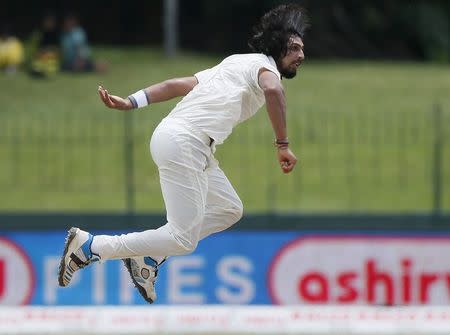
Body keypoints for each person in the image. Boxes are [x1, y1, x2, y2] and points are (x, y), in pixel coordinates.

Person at [58, 3, 308, 303]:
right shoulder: (266, 71)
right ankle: (91, 246)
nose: (301, 55)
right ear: (278, 47)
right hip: (186, 142)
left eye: (302, 49)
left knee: (230, 209)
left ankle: (148, 259)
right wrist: (282, 144)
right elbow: (274, 91)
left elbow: (179, 85)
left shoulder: (237, 63)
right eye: (294, 48)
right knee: (182, 238)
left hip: (188, 142)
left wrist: (131, 101)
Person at [28, 11, 60, 77]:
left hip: (52, 56)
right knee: (38, 63)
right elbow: (36, 48)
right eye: (47, 21)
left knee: (49, 61)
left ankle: (45, 72)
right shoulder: (40, 33)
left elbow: (57, 49)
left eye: (51, 22)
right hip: (41, 55)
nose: (49, 23)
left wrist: (48, 51)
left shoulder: (56, 34)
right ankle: (38, 71)